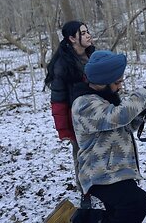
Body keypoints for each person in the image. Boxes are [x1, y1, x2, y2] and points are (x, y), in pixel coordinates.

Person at [71, 50, 146, 222]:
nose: (120, 86)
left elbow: (126, 125)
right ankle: (82, 219)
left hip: (115, 170)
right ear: (103, 81)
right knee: (137, 203)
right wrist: (142, 96)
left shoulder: (106, 98)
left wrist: (141, 112)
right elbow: (117, 117)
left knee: (119, 213)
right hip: (99, 172)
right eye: (117, 82)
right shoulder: (84, 104)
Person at [44, 21, 95, 196]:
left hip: (97, 113)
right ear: (72, 38)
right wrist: (64, 129)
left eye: (87, 31)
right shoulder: (63, 64)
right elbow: (58, 99)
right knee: (81, 156)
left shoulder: (93, 55)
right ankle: (85, 192)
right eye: (83, 32)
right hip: (77, 119)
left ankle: (101, 188)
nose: (88, 35)